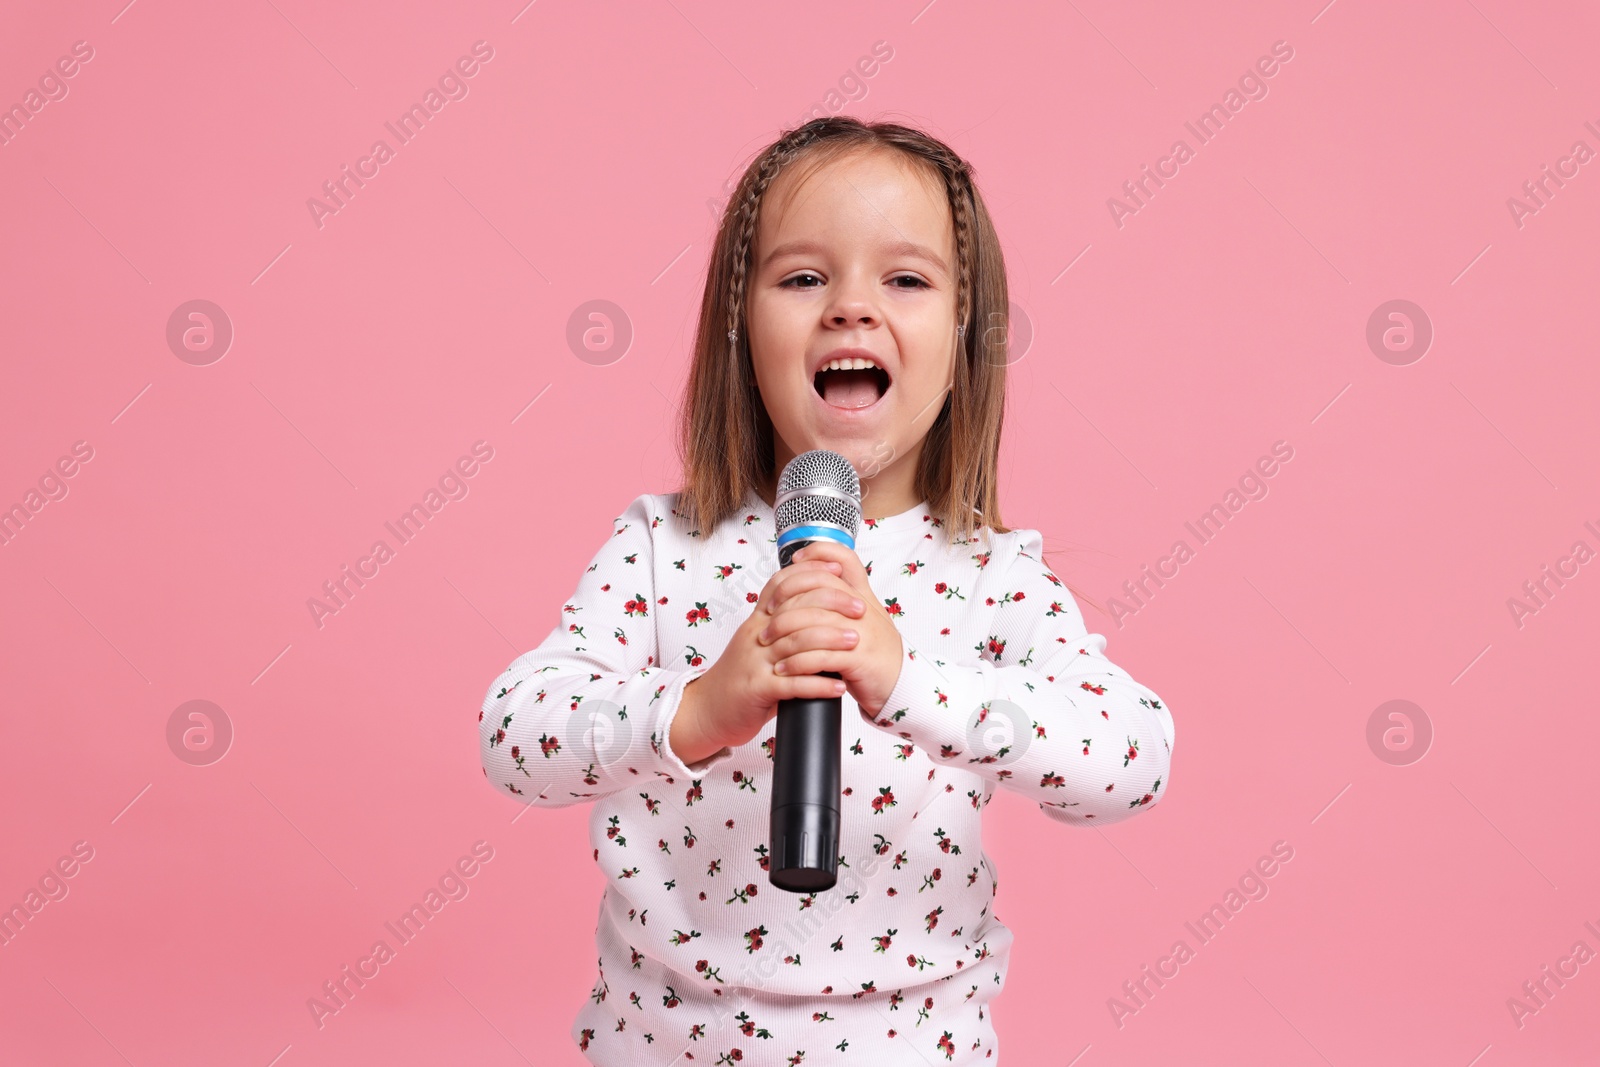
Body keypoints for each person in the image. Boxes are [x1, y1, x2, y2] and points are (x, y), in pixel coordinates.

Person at [478, 115, 1176, 1064]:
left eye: (906, 279)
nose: (851, 307)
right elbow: (516, 736)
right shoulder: (663, 546)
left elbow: (1132, 760)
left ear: (964, 332)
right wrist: (696, 709)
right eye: (804, 277)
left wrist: (907, 679)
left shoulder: (991, 573)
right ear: (740, 321)